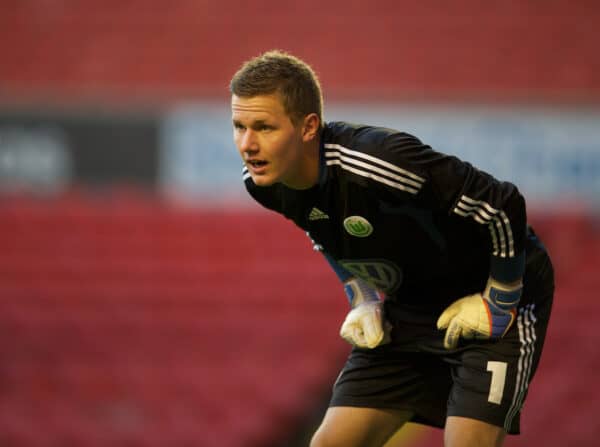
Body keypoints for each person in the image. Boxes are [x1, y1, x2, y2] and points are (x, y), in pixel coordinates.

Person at [229, 50, 554, 447]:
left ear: (308, 126)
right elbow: (326, 235)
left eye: (263, 127)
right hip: (411, 306)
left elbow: (504, 204)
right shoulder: (265, 182)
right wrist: (362, 297)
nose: (247, 144)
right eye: (239, 126)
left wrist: (499, 300)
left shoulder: (380, 161)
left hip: (490, 292)